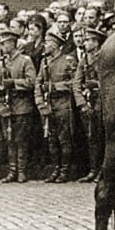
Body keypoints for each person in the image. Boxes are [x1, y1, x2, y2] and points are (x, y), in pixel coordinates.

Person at [0, 27, 37, 183]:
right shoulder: (3, 62)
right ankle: (12, 170)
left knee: (21, 139)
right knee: (9, 140)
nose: (3, 47)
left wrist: (14, 83)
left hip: (22, 105)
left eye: (5, 44)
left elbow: (32, 82)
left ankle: (21, 171)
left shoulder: (25, 60)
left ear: (12, 43)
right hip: (7, 107)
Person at [36, 26, 77, 183]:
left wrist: (55, 87)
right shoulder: (44, 62)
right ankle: (55, 169)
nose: (45, 46)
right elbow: (38, 84)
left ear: (55, 45)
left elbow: (74, 83)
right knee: (52, 140)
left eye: (47, 43)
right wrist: (40, 104)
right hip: (49, 105)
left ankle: (65, 171)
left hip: (63, 104)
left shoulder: (67, 61)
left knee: (64, 139)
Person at [73, 27, 105, 183]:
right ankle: (93, 170)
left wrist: (97, 84)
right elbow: (76, 83)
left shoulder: (104, 57)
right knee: (92, 138)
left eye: (88, 40)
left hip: (102, 101)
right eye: (85, 40)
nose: (85, 43)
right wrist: (81, 104)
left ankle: (103, 171)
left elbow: (110, 81)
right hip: (89, 102)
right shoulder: (83, 60)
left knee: (103, 136)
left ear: (96, 42)